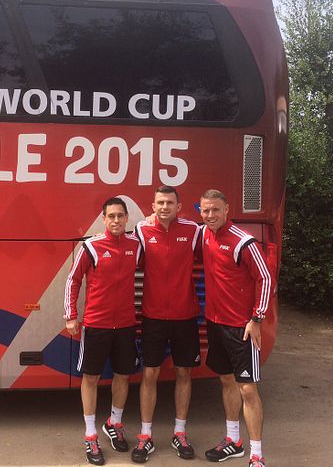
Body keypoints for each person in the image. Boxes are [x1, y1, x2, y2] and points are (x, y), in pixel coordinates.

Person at [64, 196, 142, 466]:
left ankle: (115, 423)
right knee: (91, 378)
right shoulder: (92, 246)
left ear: (127, 218)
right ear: (104, 219)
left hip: (126, 325)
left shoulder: (136, 246)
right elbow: (72, 280)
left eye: (121, 216)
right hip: (96, 324)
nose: (117, 221)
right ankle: (90, 434)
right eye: (112, 216)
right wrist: (71, 315)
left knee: (123, 375)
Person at [199, 189, 271, 467]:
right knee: (226, 381)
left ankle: (257, 455)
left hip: (241, 328)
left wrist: (257, 319)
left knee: (248, 390)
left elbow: (265, 278)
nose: (210, 215)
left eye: (215, 209)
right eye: (205, 210)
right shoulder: (204, 234)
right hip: (215, 324)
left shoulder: (245, 241)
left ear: (227, 209)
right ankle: (234, 441)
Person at [132, 185, 202, 462]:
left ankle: (180, 432)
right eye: (160, 203)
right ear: (153, 206)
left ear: (178, 206)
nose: (164, 207)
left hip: (186, 317)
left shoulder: (193, 230)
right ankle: (145, 436)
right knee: (149, 375)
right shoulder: (142, 230)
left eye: (169, 203)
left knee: (184, 374)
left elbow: (215, 258)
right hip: (153, 316)